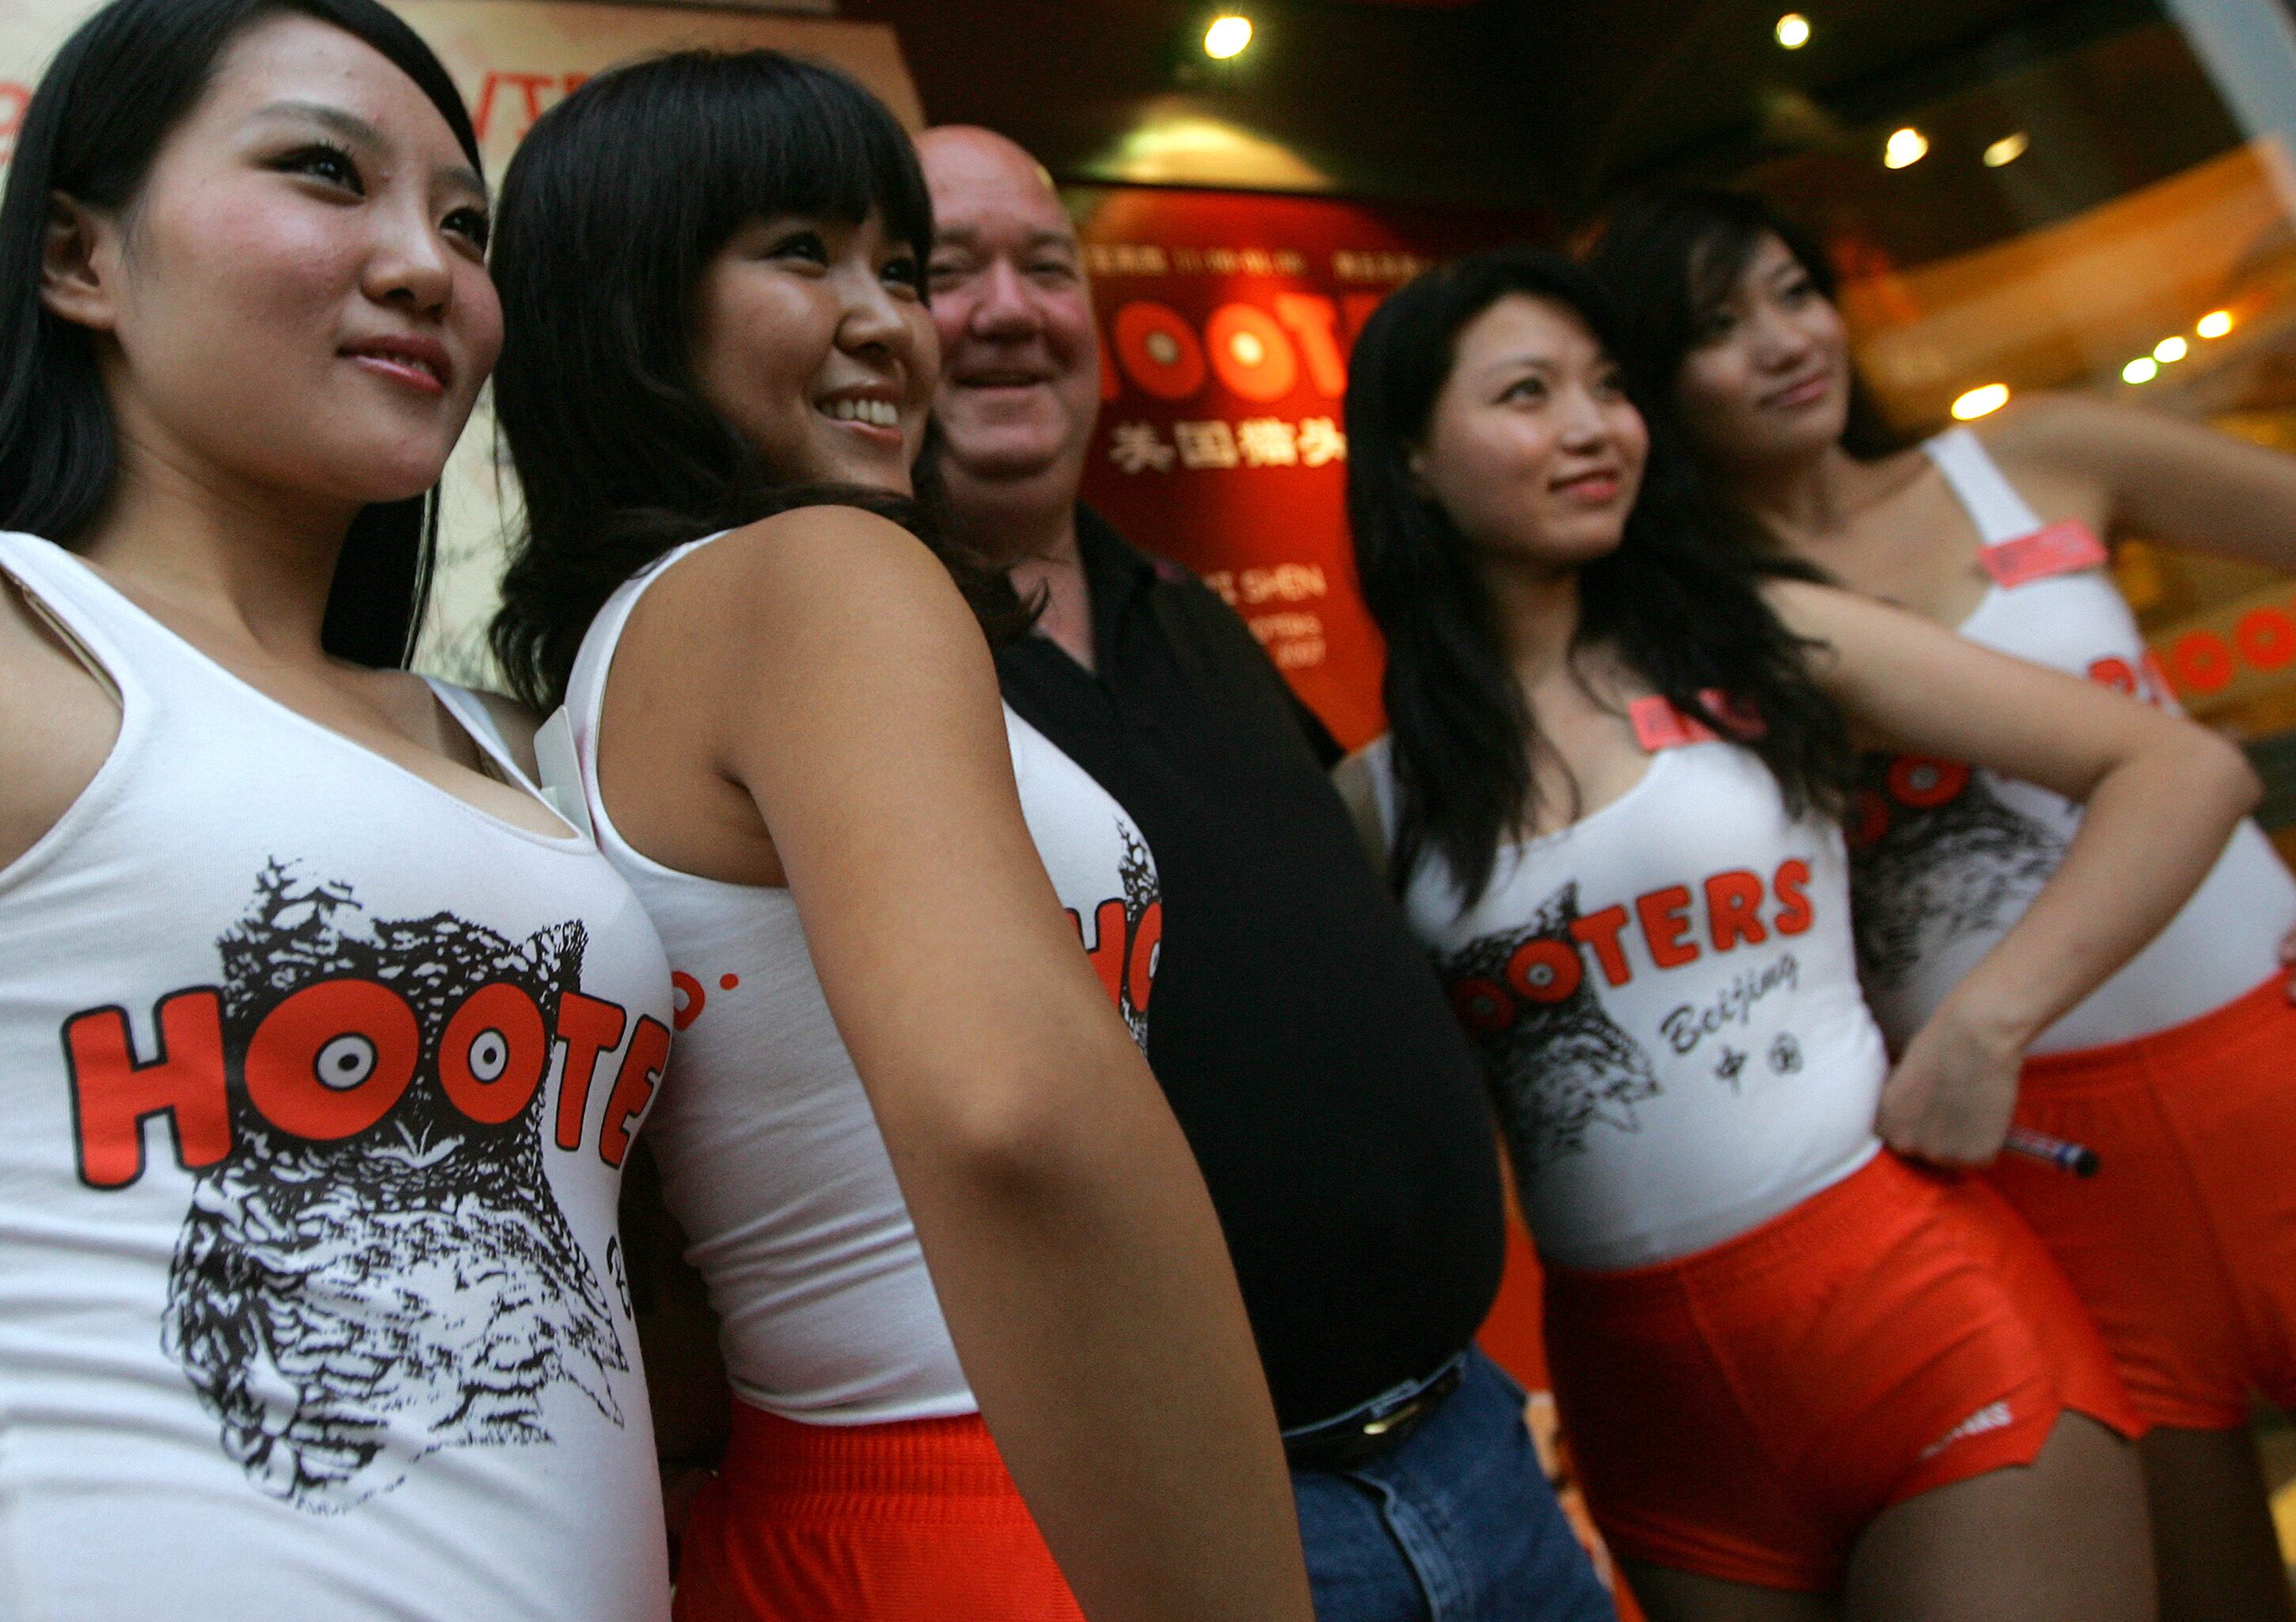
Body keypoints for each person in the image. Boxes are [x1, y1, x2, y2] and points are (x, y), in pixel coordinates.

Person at [484, 53, 1313, 1622]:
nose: (889, 320)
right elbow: (1012, 1106)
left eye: (899, 266)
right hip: (1008, 1508)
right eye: (802, 253)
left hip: (820, 1517)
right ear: (629, 298)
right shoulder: (815, 579)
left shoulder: (619, 657)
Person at [1340, 247, 2264, 1621]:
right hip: (1650, 1407)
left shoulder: (1759, 640)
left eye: (1607, 387)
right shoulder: (1374, 796)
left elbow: (2180, 773)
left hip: (1920, 1317)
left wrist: (1984, 1026)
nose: (1593, 426)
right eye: (1529, 394)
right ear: (1410, 458)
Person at [0, 2, 677, 1617]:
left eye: (462, 223)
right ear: (82, 258)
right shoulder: (29, 656)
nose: (427, 268)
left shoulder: (526, 744)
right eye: (324, 172)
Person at [916, 124, 1616, 1622]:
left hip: (1476, 1446)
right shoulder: (874, 672)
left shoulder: (1192, 617)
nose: (1006, 308)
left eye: (1046, 266)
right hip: (1212, 1540)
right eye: (940, 271)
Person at [1591, 187, 2296, 1622]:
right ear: (1657, 387)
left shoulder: (2026, 459)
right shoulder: (1678, 635)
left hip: (2267, 1058)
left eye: (1794, 290)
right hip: (2037, 1172)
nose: (1785, 341)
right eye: (1718, 328)